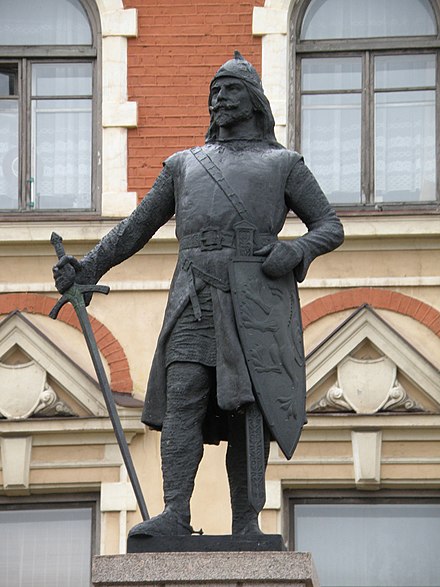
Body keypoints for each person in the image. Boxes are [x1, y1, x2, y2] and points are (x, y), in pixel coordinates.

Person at [53, 52, 344, 537]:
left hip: (255, 300)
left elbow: (330, 225)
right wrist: (88, 266)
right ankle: (175, 514)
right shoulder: (184, 165)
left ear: (252, 100)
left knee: (248, 413)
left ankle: (247, 522)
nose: (218, 99)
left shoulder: (283, 164)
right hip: (194, 294)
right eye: (213, 91)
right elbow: (136, 226)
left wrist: (296, 252)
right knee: (184, 397)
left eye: (229, 89)